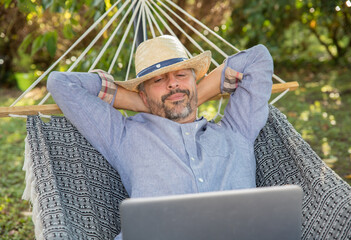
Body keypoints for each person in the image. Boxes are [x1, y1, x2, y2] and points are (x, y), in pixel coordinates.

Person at [47, 35, 273, 239]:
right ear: (143, 94)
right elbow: (61, 83)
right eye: (158, 80)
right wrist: (141, 104)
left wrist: (193, 96)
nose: (173, 83)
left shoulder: (237, 129)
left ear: (195, 82)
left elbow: (258, 57)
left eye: (182, 75)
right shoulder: (123, 136)